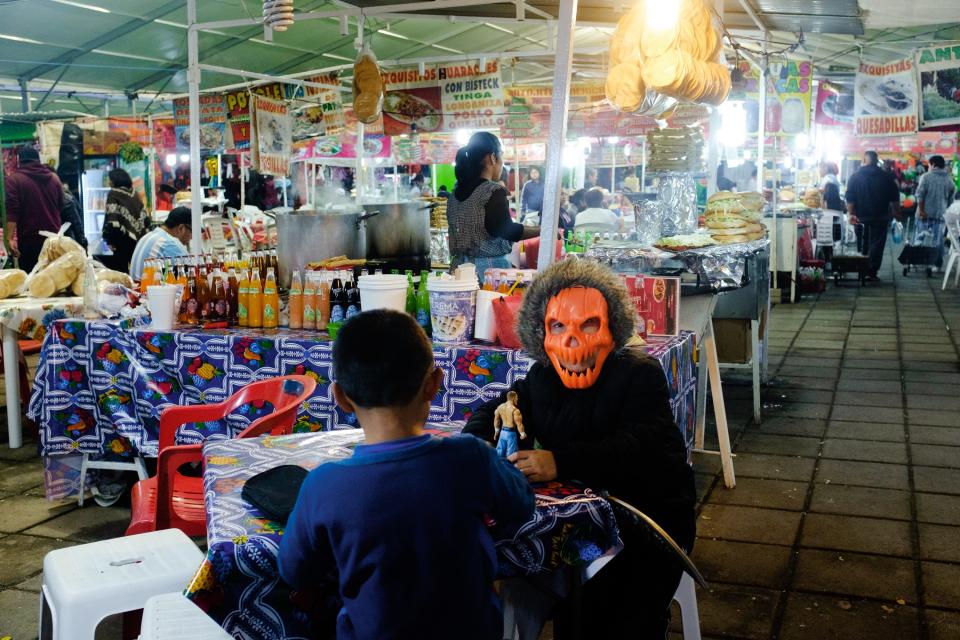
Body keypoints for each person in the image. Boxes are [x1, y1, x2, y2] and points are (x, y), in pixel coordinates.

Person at [464, 259, 695, 638]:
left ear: (613, 328)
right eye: (558, 327)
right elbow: (501, 406)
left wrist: (560, 461)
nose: (573, 342)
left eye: (589, 325)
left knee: (597, 606)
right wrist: (478, 443)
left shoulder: (640, 375)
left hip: (645, 526)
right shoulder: (543, 376)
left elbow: (639, 447)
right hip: (576, 531)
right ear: (541, 333)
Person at [279, 310, 534, 639]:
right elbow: (521, 504)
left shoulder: (322, 486)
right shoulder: (471, 457)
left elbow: (294, 571)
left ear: (340, 397)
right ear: (434, 384)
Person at [445, 132, 539, 281]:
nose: (503, 163)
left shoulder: (454, 195)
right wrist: (544, 231)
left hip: (458, 271)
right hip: (487, 273)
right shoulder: (491, 191)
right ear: (492, 158)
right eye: (501, 155)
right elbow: (508, 231)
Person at [4, 147, 63, 273]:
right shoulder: (54, 178)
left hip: (29, 241)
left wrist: (9, 238)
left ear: (20, 161)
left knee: (33, 285)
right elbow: (61, 206)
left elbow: (12, 212)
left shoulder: (14, 180)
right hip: (54, 241)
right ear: (38, 160)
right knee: (54, 283)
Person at [845, 151, 901, 281]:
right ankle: (872, 271)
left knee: (862, 243)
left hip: (860, 217)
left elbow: (850, 198)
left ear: (864, 161)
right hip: (880, 217)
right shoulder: (886, 177)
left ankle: (862, 269)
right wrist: (896, 212)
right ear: (877, 161)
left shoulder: (855, 177)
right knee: (877, 244)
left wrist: (851, 214)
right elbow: (895, 198)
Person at [102, 168, 149, 273]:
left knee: (120, 272)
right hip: (137, 239)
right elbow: (145, 219)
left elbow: (112, 221)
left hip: (120, 240)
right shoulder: (134, 194)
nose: (109, 182)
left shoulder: (113, 194)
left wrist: (110, 241)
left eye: (110, 179)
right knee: (135, 269)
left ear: (115, 180)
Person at [129, 207, 192, 281]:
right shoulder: (171, 244)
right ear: (181, 228)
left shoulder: (147, 236)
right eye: (191, 232)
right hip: (149, 291)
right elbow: (190, 278)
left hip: (137, 289)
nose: (191, 237)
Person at [916, 155, 956, 222]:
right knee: (938, 233)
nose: (929, 168)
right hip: (941, 217)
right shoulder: (950, 180)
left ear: (933, 165)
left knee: (923, 233)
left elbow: (920, 196)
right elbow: (951, 201)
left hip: (925, 217)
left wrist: (921, 211)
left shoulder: (926, 177)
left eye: (929, 166)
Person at [60, 185, 88, 251]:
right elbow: (77, 225)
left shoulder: (39, 197)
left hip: (44, 243)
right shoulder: (66, 199)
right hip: (67, 242)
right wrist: (83, 244)